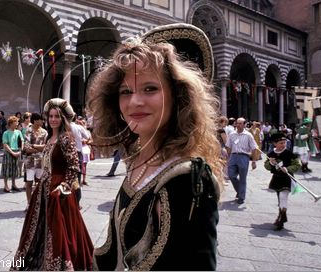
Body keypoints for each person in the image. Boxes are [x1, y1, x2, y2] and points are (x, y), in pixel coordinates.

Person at [87, 30, 223, 270]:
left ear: (178, 97)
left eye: (150, 88)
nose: (135, 102)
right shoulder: (138, 159)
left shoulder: (188, 178)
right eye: (126, 91)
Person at [11, 98, 93, 270]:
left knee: (59, 230)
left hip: (58, 191)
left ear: (63, 118)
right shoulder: (50, 137)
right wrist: (33, 146)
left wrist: (63, 187)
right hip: (44, 187)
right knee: (38, 229)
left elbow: (74, 167)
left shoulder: (66, 138)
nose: (53, 119)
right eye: (51, 116)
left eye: (57, 116)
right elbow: (48, 154)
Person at [264, 132, 301, 230]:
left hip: (287, 178)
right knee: (280, 198)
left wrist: (288, 169)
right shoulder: (271, 154)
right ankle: (281, 215)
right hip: (276, 178)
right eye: (281, 143)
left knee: (283, 196)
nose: (283, 145)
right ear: (274, 144)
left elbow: (297, 165)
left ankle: (281, 218)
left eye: (284, 142)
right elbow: (266, 166)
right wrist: (271, 164)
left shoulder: (290, 154)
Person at [226, 117, 259, 204]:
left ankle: (241, 197)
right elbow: (228, 146)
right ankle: (239, 191)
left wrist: (254, 161)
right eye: (237, 123)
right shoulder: (232, 134)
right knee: (231, 175)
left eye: (240, 123)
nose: (238, 125)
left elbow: (254, 148)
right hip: (233, 156)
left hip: (244, 157)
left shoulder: (248, 135)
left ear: (244, 125)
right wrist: (227, 158)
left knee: (242, 178)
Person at [22, 112, 47, 208]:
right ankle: (29, 203)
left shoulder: (44, 132)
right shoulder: (28, 131)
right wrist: (39, 148)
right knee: (29, 182)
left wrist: (34, 147)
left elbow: (45, 147)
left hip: (41, 161)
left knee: (39, 183)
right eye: (41, 119)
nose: (43, 121)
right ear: (36, 120)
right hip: (30, 161)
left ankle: (38, 202)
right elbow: (26, 148)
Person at [1, 116, 23, 193]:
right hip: (9, 152)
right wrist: (12, 153)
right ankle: (6, 185)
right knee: (6, 169)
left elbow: (21, 141)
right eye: (15, 122)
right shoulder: (6, 133)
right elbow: (5, 144)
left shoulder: (18, 132)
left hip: (17, 151)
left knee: (15, 169)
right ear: (10, 123)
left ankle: (13, 184)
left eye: (17, 122)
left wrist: (20, 151)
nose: (17, 124)